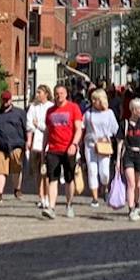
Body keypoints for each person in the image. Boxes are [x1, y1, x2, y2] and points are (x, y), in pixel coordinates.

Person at [38, 83, 83, 219]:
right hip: (53, 149)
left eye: (61, 93)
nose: (59, 96)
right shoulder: (50, 111)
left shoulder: (73, 108)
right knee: (53, 178)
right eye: (57, 93)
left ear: (66, 94)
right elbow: (47, 131)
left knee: (69, 178)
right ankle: (51, 208)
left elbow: (78, 129)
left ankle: (69, 204)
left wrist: (74, 144)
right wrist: (43, 148)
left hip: (68, 148)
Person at [0, 89, 28, 204]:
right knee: (0, 171)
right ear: (1, 100)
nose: (5, 102)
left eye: (7, 100)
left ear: (11, 100)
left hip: (16, 146)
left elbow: (26, 129)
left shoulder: (20, 113)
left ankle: (17, 189)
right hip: (0, 147)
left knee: (16, 170)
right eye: (3, 100)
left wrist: (27, 143)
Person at [117, 96, 140, 220]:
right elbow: (120, 143)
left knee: (138, 184)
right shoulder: (124, 124)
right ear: (134, 110)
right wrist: (118, 161)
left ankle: (137, 204)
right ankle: (130, 209)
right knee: (131, 183)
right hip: (128, 155)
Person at [24, 85, 52, 199]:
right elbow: (29, 124)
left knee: (46, 171)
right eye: (37, 92)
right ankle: (41, 195)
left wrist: (39, 125)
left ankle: (47, 195)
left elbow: (50, 126)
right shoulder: (33, 107)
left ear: (46, 94)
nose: (37, 95)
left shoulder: (51, 106)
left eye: (39, 92)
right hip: (36, 142)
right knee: (38, 172)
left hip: (48, 143)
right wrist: (29, 140)